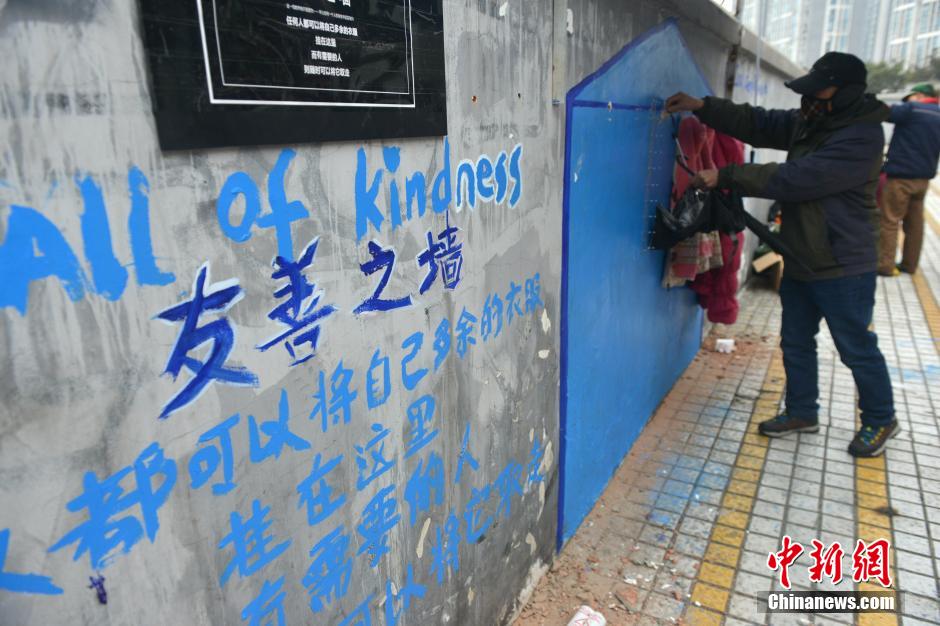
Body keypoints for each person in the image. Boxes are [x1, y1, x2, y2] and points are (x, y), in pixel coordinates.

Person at [665, 52, 899, 458]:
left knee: (855, 346)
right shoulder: (816, 121)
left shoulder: (860, 137)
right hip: (801, 254)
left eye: (818, 92)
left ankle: (881, 418)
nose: (808, 102)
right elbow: (762, 123)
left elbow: (800, 178)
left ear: (845, 94)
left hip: (843, 263)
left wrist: (728, 175)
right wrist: (705, 108)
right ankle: (802, 411)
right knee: (795, 340)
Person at [878, 82, 940, 276]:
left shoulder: (913, 109)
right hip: (923, 179)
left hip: (900, 177)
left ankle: (885, 265)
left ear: (920, 95)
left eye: (910, 97)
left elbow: (884, 113)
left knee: (889, 220)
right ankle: (909, 265)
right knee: (915, 224)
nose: (907, 101)